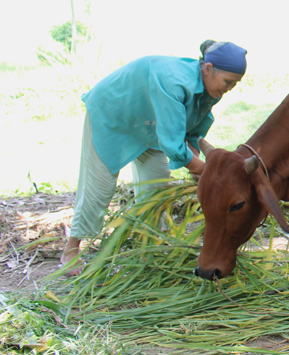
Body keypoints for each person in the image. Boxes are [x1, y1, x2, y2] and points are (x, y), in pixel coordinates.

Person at [60, 40, 247, 272]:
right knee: (99, 187)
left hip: (152, 123)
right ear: (207, 68)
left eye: (235, 83)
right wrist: (203, 170)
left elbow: (190, 130)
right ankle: (71, 249)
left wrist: (198, 163)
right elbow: (172, 141)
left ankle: (148, 246)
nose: (230, 88)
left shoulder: (212, 88)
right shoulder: (174, 81)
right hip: (114, 116)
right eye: (228, 81)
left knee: (156, 187)